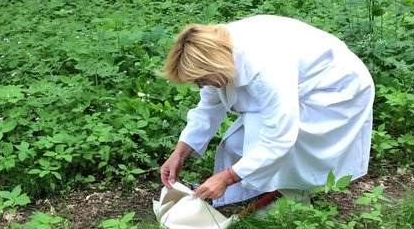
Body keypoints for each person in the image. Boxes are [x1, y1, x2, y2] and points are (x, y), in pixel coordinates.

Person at [159, 15, 375, 207]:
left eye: (201, 79)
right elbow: (208, 109)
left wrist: (226, 178)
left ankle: (295, 197)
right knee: (239, 142)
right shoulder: (217, 52)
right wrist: (179, 154)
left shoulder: (264, 66)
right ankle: (267, 185)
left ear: (214, 67)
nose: (200, 86)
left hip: (335, 89)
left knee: (273, 137)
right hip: (301, 83)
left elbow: (279, 138)